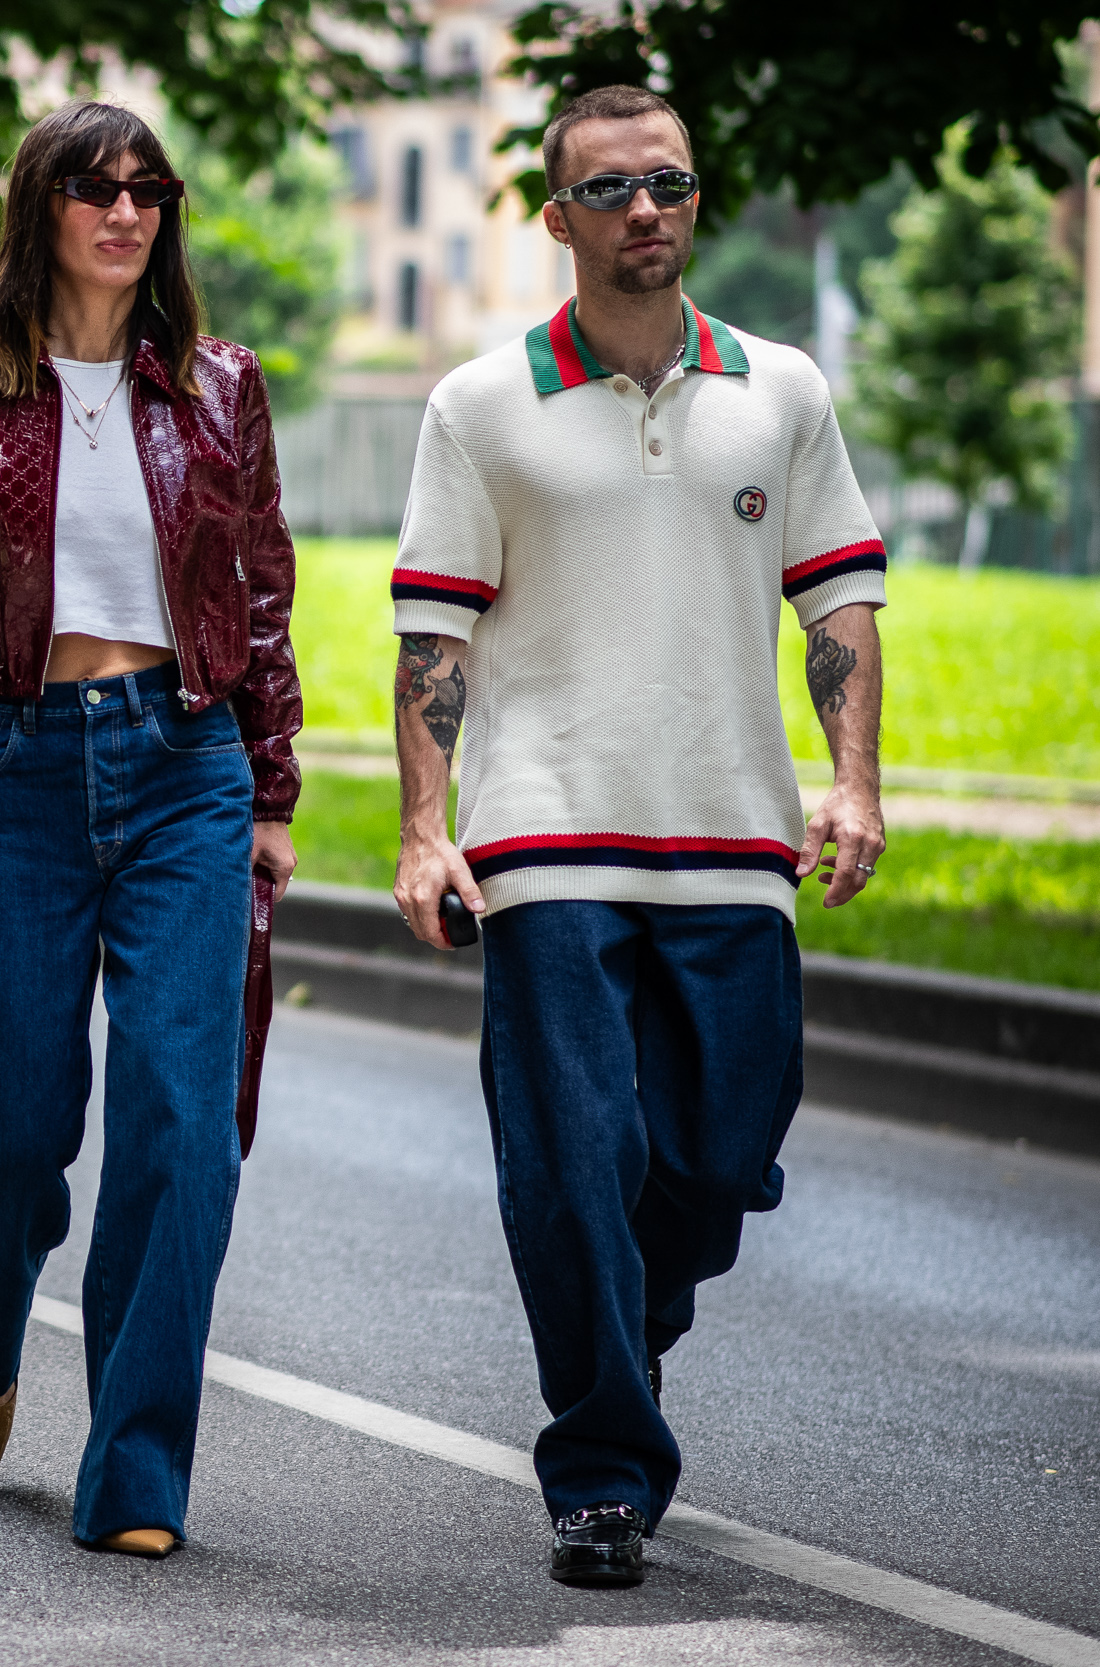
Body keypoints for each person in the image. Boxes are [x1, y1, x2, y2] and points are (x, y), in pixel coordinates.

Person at [387, 84, 887, 1589]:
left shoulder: (781, 389)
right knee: (574, 1157)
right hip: (545, 841)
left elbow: (839, 596)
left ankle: (634, 1324)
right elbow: (433, 632)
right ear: (560, 219)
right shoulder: (480, 407)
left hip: (735, 841)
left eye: (667, 182)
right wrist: (426, 826)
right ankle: (602, 1467)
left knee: (725, 1151)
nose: (646, 209)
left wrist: (854, 781)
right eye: (611, 189)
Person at [0, 100, 302, 1559]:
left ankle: (136, 1469)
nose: (126, 210)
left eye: (149, 189)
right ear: (42, 207)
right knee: (12, 1122)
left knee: (186, 1124)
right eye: (95, 186)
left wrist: (268, 793)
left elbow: (260, 594)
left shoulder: (219, 386)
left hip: (185, 760)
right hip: (17, 763)